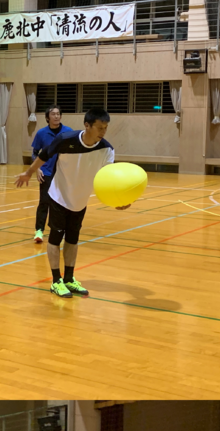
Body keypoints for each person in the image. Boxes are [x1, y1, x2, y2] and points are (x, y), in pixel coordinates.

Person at [15, 108, 130, 299]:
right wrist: (28, 173)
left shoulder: (106, 150)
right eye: (99, 127)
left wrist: (117, 200)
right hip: (59, 196)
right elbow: (44, 155)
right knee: (55, 239)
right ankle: (56, 281)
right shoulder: (65, 139)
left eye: (106, 128)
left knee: (73, 240)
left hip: (80, 201)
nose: (103, 132)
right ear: (87, 125)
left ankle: (68, 278)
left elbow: (107, 179)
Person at [31, 106, 73, 245]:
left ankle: (61, 230)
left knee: (63, 203)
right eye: (53, 114)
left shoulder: (68, 132)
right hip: (47, 173)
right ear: (47, 117)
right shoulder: (41, 133)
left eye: (58, 114)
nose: (56, 116)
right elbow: (35, 153)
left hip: (64, 174)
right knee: (44, 202)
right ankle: (39, 231)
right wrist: (37, 168)